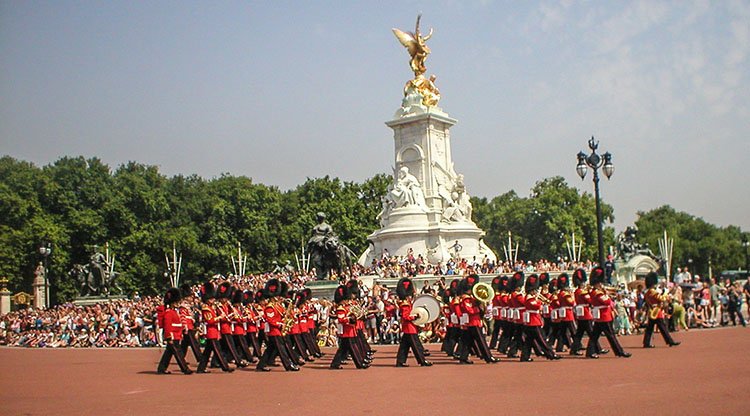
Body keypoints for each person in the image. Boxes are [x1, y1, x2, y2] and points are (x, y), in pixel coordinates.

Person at [585, 267, 631, 359]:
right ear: (597, 283)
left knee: (595, 336)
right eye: (600, 283)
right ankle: (619, 351)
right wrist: (607, 294)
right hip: (603, 316)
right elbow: (606, 302)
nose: (601, 284)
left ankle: (590, 352)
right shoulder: (597, 293)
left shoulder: (597, 291)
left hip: (602, 315)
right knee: (611, 335)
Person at [395, 277, 432, 367]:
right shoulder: (405, 304)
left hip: (409, 327)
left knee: (404, 346)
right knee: (416, 346)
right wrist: (416, 316)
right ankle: (422, 361)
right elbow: (406, 316)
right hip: (409, 327)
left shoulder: (406, 302)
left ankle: (400, 361)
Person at [156, 288, 192, 374]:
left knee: (168, 354)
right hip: (172, 335)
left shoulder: (174, 311)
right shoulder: (168, 312)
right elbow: (168, 326)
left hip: (177, 334)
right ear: (172, 303)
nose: (178, 304)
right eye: (176, 302)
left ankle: (161, 368)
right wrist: (169, 337)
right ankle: (185, 369)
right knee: (178, 353)